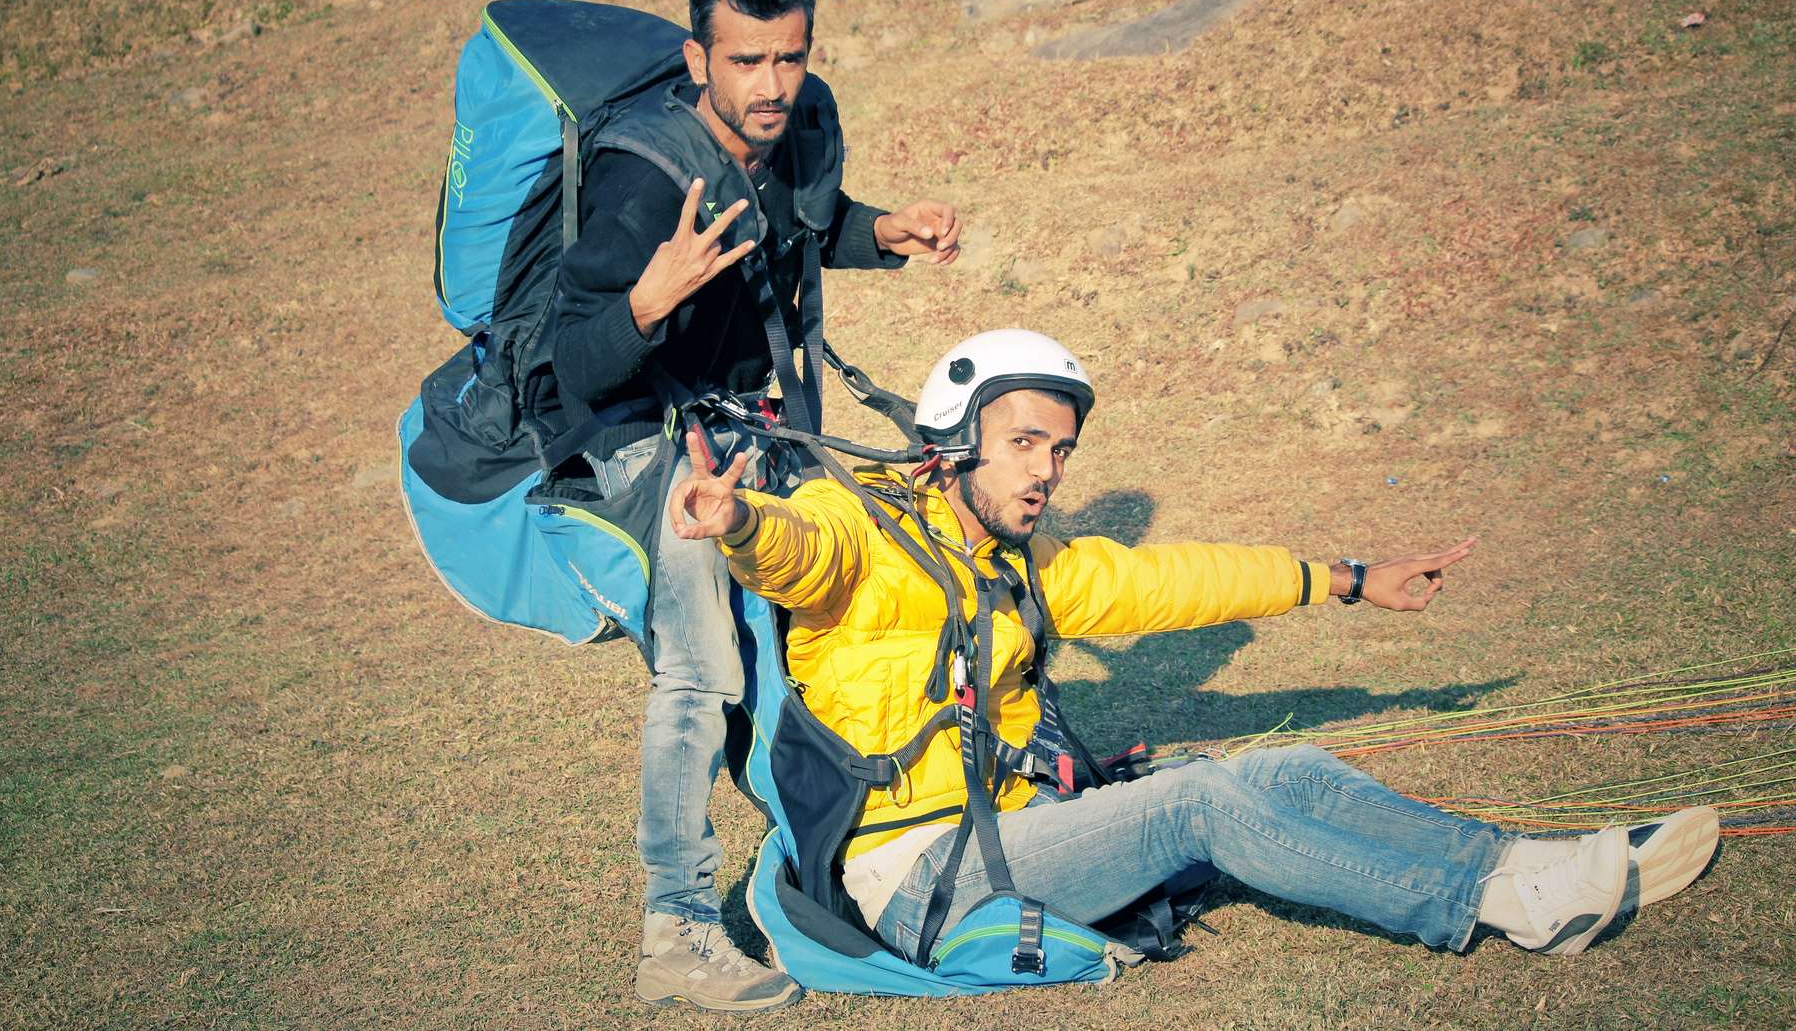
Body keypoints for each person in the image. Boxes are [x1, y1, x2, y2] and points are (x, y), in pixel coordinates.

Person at [667, 328, 1721, 975]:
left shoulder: (1027, 562)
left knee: (1283, 769)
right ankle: (1498, 906)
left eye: (1061, 449)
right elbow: (797, 553)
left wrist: (1349, 577)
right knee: (1200, 803)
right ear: (956, 434)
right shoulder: (857, 528)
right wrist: (739, 522)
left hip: (1019, 835)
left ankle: (1521, 861)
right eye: (1025, 442)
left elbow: (1177, 581)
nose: (1047, 470)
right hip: (920, 875)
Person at [548, 0, 962, 1012]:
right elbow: (571, 364)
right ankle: (675, 928)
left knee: (812, 631)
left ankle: (848, 856)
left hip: (756, 428)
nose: (772, 83)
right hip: (650, 434)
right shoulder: (645, 179)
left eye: (788, 56)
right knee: (701, 669)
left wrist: (884, 232)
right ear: (700, 58)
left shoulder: (794, 125)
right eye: (745, 60)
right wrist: (647, 300)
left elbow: (802, 224)